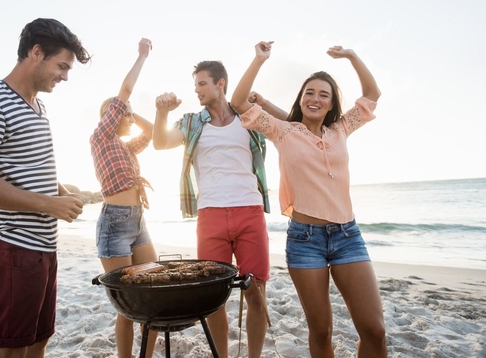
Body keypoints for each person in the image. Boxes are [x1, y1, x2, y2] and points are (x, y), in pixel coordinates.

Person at [231, 41, 387, 357]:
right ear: (301, 100)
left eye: (323, 94)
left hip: (348, 237)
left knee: (374, 330)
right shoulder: (283, 131)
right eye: (309, 93)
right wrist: (259, 60)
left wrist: (353, 57)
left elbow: (372, 94)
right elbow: (237, 101)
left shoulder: (341, 129)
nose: (315, 98)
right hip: (305, 241)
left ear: (331, 105)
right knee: (321, 331)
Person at [0, 18, 90, 358]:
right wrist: (47, 205)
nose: (64, 76)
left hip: (44, 248)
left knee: (38, 341)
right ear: (36, 52)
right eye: (61, 66)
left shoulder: (38, 107)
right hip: (13, 246)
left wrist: (59, 193)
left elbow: (27, 168)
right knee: (11, 350)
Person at [153, 60, 286, 358]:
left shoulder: (250, 119)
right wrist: (161, 112)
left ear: (220, 84)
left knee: (256, 292)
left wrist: (260, 66)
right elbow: (160, 143)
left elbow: (287, 126)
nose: (197, 90)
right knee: (214, 296)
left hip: (249, 211)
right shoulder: (190, 123)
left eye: (202, 83)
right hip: (210, 215)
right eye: (195, 85)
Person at [90, 38, 158, 358]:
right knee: (127, 304)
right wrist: (141, 56)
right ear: (109, 116)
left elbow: (156, 133)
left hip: (137, 222)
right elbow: (125, 92)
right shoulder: (101, 137)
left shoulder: (126, 147)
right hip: (114, 224)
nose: (127, 117)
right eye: (122, 113)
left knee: (153, 294)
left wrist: (135, 113)